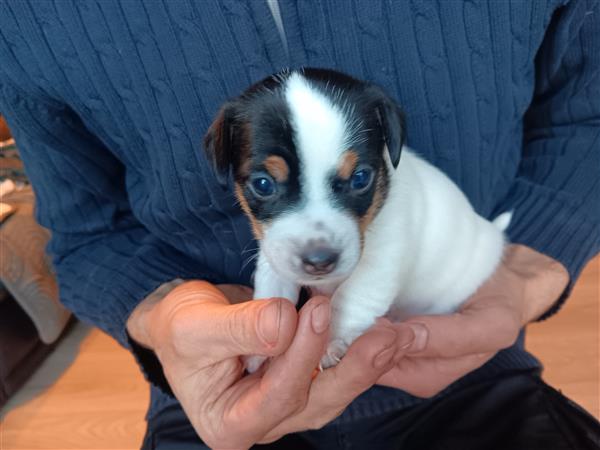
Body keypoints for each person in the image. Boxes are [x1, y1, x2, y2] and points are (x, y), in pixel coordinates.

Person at [0, 1, 598, 449]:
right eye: (264, 185)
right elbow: (85, 233)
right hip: (218, 382)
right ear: (226, 163)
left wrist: (524, 270)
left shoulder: (401, 195)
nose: (317, 243)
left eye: (356, 181)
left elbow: (588, 114)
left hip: (466, 354)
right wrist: (164, 314)